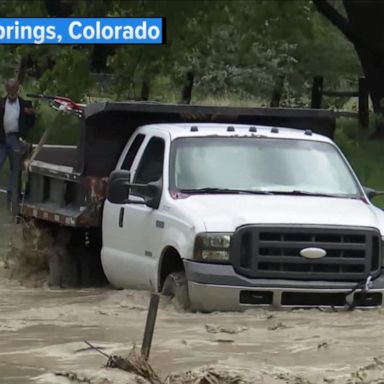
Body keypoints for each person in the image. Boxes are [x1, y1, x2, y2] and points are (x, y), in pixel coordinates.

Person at [0, 79, 35, 204]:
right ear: (6, 89)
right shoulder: (1, 103)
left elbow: (31, 124)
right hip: (2, 139)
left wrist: (31, 114)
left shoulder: (25, 104)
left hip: (16, 139)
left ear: (18, 89)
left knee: (15, 168)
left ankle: (11, 195)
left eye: (14, 89)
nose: (12, 91)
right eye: (9, 89)